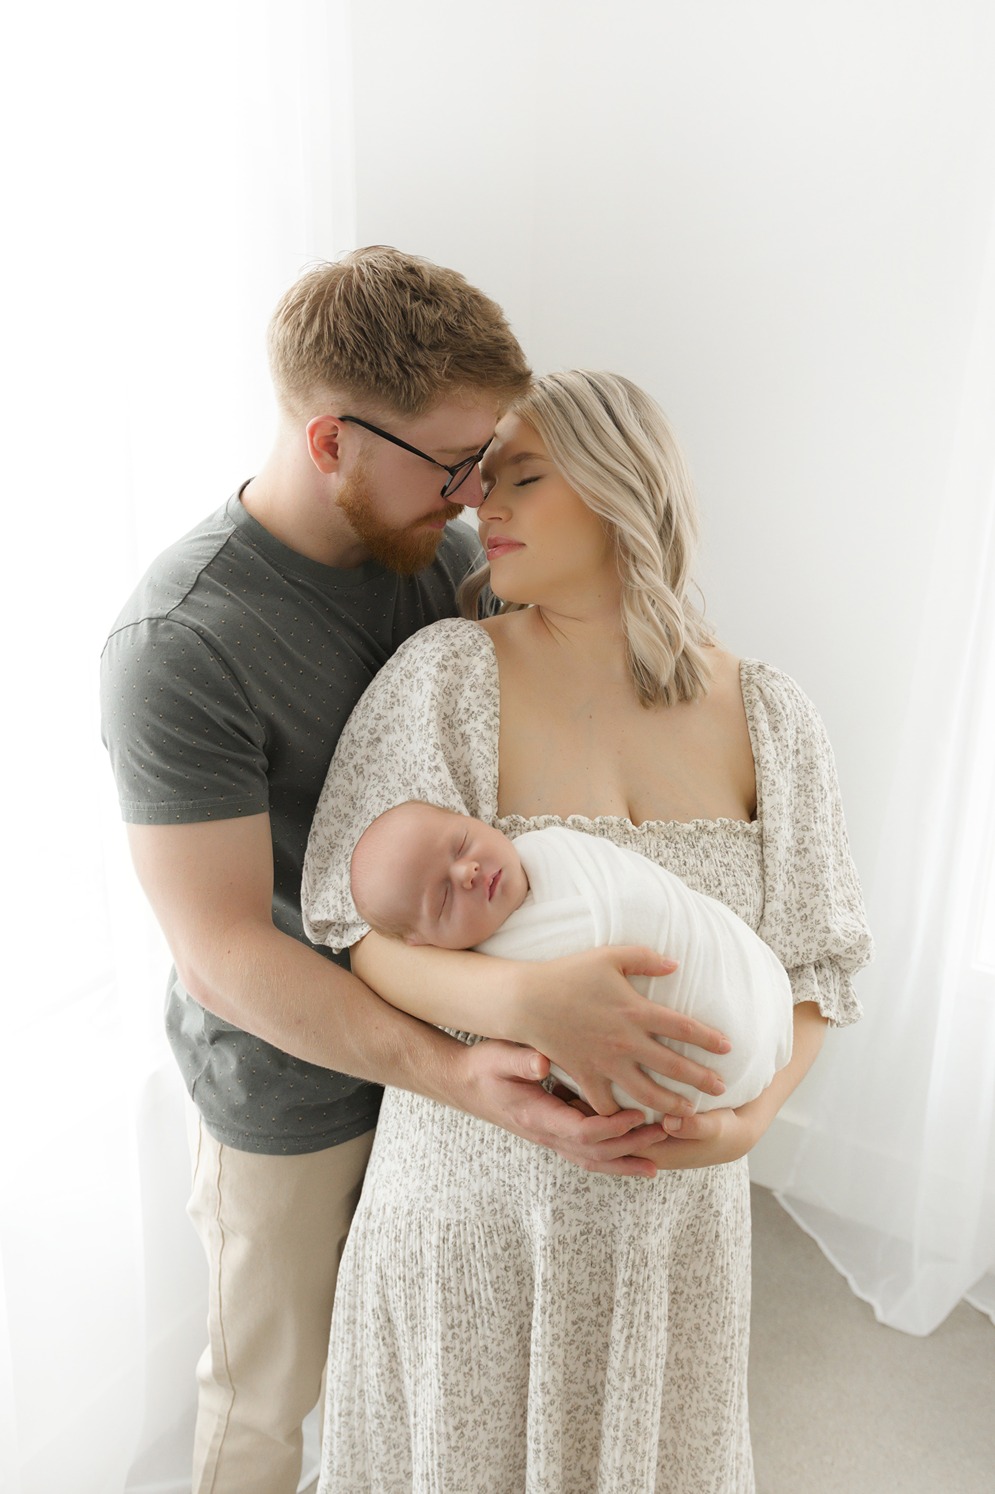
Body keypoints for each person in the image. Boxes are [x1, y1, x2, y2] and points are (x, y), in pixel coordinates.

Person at [101, 254, 724, 1494]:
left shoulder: (437, 558)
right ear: (329, 439)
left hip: (460, 1058)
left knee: (411, 1381)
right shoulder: (179, 646)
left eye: (484, 456)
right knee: (265, 1400)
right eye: (447, 464)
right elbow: (224, 953)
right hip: (293, 1088)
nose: (472, 492)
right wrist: (452, 1070)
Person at [302, 369, 873, 1493]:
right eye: (476, 482)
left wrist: (750, 1119)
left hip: (671, 1239)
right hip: (468, 1213)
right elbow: (349, 923)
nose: (480, 506)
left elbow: (821, 964)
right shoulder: (445, 679)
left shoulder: (770, 716)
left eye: (521, 477)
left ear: (621, 492)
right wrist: (520, 1005)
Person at [346, 799, 795, 1116]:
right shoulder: (483, 977)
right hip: (693, 1094)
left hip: (757, 992)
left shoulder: (554, 848)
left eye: (461, 844)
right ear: (424, 943)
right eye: (443, 897)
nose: (467, 872)